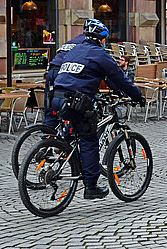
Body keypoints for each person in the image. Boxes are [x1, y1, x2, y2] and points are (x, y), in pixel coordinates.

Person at [51, 20, 144, 200]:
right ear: (101, 39)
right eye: (104, 39)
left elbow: (98, 76)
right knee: (89, 140)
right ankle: (91, 186)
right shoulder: (100, 55)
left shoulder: (75, 50)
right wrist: (137, 95)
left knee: (74, 128)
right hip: (76, 101)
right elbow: (120, 78)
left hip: (57, 97)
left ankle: (63, 148)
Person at [43, 21, 90, 127]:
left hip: (52, 70)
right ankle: (68, 132)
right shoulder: (88, 43)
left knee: (50, 103)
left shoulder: (73, 40)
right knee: (71, 103)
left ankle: (48, 133)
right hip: (65, 71)